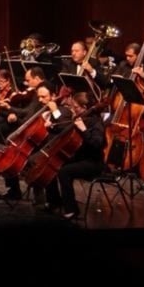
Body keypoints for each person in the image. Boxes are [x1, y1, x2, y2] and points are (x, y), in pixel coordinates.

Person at [41, 91, 107, 219]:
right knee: (51, 164)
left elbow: (97, 144)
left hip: (93, 163)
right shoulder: (79, 119)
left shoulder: (96, 123)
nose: (73, 110)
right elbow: (66, 133)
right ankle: (54, 201)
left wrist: (84, 130)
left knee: (64, 172)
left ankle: (72, 210)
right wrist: (51, 127)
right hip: (79, 159)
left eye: (75, 107)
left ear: (85, 107)